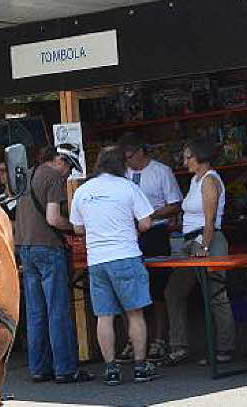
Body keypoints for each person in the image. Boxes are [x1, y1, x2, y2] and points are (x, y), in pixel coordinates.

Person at [69, 146, 157, 385]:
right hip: (126, 255)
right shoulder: (128, 187)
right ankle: (140, 366)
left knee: (104, 316)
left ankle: (111, 369)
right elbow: (146, 223)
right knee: (135, 313)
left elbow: (77, 228)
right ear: (122, 165)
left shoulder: (83, 191)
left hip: (97, 260)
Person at [14, 144, 91, 383]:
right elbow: (53, 218)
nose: (68, 173)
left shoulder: (27, 174)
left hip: (25, 247)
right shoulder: (54, 178)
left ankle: (39, 368)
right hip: (48, 247)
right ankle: (65, 369)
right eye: (68, 167)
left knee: (36, 311)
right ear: (60, 160)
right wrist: (76, 228)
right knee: (58, 310)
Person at [163, 140, 236, 365]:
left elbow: (210, 219)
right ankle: (180, 345)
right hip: (189, 241)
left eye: (188, 157)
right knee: (174, 292)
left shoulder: (210, 180)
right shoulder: (196, 181)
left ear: (201, 157)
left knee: (215, 296)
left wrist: (204, 246)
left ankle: (224, 348)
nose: (184, 162)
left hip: (206, 241)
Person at [120, 132, 183, 361]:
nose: (128, 161)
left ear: (141, 151)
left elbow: (175, 205)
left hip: (155, 232)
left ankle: (159, 339)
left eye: (130, 156)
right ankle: (133, 341)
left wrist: (150, 214)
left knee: (157, 289)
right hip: (130, 234)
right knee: (131, 289)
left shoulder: (161, 171)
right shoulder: (123, 174)